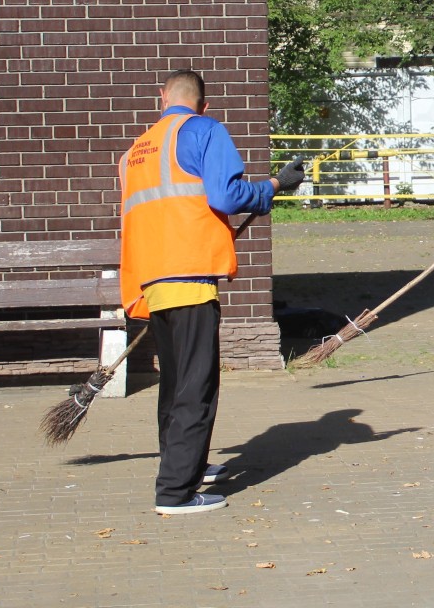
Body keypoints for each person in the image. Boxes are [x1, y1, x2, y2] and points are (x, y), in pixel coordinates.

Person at [119, 69, 304, 515]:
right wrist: (276, 185)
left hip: (151, 281)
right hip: (189, 279)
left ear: (160, 98)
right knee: (196, 387)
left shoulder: (136, 151)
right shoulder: (205, 131)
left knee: (175, 383)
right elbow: (225, 196)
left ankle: (185, 466)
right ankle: (177, 491)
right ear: (203, 105)